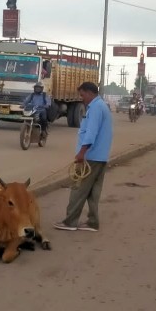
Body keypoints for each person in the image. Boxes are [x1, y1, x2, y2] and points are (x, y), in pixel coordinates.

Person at [53, 82, 113, 232]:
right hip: (100, 156)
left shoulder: (95, 108)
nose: (82, 98)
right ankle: (93, 222)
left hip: (90, 156)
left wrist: (81, 153)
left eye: (82, 95)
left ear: (89, 92)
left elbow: (91, 133)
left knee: (78, 189)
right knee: (93, 191)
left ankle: (70, 222)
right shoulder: (101, 106)